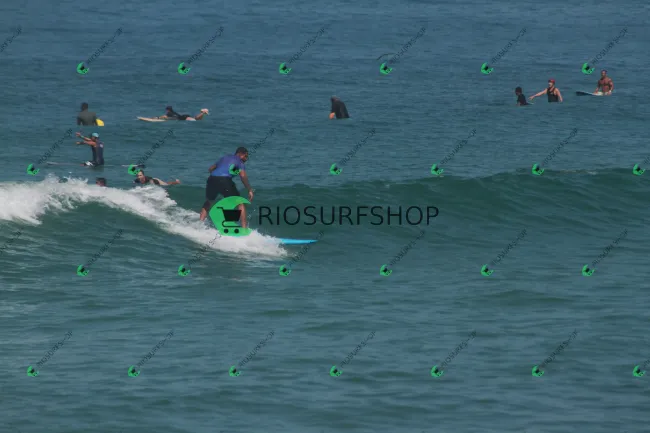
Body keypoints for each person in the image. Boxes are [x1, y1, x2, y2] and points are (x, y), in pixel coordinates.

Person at [200, 147, 254, 227]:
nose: (246, 159)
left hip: (211, 179)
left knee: (209, 201)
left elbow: (210, 169)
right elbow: (243, 176)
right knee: (240, 203)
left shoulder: (224, 158)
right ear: (240, 154)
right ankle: (243, 229)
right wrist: (249, 189)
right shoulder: (239, 162)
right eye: (246, 156)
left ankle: (200, 223)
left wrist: (217, 176)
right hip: (225, 180)